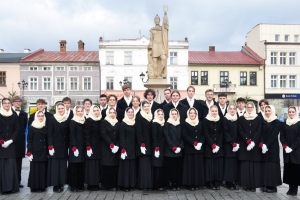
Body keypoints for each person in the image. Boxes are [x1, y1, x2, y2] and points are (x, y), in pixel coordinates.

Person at [238, 101, 262, 192]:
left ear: (254, 108)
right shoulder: (241, 118)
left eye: (251, 107)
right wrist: (247, 140)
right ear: (246, 108)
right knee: (246, 166)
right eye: (248, 107)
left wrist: (253, 141)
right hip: (245, 145)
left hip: (255, 146)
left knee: (254, 166)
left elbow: (259, 130)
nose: (249, 109)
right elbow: (240, 130)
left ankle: (253, 185)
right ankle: (246, 184)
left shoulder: (258, 118)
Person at [47, 103, 68, 193]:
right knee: (55, 167)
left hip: (64, 146)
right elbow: (50, 133)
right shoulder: (52, 119)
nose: (60, 110)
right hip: (55, 146)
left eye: (62, 108)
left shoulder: (67, 119)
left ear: (64, 109)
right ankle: (55, 184)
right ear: (56, 109)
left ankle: (62, 183)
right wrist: (50, 146)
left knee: (63, 166)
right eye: (59, 108)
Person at [182, 108, 205, 191]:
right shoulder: (185, 123)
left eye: (194, 113)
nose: (192, 114)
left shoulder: (200, 123)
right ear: (188, 114)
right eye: (190, 113)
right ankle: (190, 184)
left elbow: (203, 134)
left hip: (199, 149)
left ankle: (197, 183)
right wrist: (193, 143)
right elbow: (184, 135)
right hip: (189, 149)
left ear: (196, 114)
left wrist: (200, 143)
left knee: (197, 167)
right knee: (190, 167)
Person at [0, 98, 19, 194]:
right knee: (2, 165)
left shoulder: (14, 115)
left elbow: (17, 129)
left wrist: (11, 140)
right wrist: (2, 141)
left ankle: (11, 187)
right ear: (2, 104)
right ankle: (2, 188)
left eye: (8, 103)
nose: (7, 105)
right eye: (5, 103)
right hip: (1, 145)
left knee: (11, 165)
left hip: (11, 144)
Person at [261, 105, 282, 193]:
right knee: (266, 166)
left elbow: (274, 135)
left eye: (269, 111)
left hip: (272, 147)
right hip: (263, 147)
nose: (267, 112)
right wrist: (262, 144)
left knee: (273, 167)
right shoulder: (263, 121)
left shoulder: (276, 122)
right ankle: (266, 184)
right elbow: (260, 133)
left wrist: (267, 145)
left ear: (272, 111)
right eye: (266, 111)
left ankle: (273, 186)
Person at [280, 106, 300, 196]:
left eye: (293, 112)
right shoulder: (284, 123)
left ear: (296, 113)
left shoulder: (299, 123)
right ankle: (290, 187)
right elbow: (282, 136)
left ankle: (295, 188)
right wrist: (285, 146)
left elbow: (299, 138)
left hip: (296, 151)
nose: (291, 113)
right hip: (287, 151)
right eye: (290, 112)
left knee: (295, 170)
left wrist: (292, 147)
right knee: (288, 169)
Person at [203, 105, 223, 190]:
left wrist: (218, 145)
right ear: (210, 112)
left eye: (215, 111)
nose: (214, 112)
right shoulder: (205, 120)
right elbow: (206, 133)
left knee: (217, 165)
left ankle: (216, 181)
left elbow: (222, 133)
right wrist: (212, 145)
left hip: (218, 146)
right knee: (209, 164)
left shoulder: (220, 120)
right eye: (213, 111)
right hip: (209, 146)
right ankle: (209, 182)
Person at [26, 111, 47, 192]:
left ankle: (42, 186)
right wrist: (29, 151)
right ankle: (34, 186)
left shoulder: (45, 127)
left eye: (42, 116)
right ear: (36, 117)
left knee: (42, 168)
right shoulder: (32, 127)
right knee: (35, 169)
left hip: (43, 150)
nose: (41, 117)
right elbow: (29, 140)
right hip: (35, 151)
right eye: (39, 116)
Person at [164, 108, 184, 191]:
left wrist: (180, 146)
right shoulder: (167, 124)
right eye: (172, 114)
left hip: (179, 149)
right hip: (170, 150)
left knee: (177, 168)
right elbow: (167, 136)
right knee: (170, 168)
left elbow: (183, 136)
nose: (174, 115)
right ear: (170, 115)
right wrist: (172, 147)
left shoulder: (180, 124)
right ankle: (170, 183)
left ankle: (176, 182)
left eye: (175, 114)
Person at [100, 108, 120, 191]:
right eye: (110, 113)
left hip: (116, 148)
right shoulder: (103, 122)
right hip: (106, 147)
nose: (112, 114)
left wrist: (117, 145)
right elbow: (103, 134)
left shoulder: (118, 123)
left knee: (114, 165)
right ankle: (107, 184)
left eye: (113, 112)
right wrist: (111, 144)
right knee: (107, 165)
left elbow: (120, 135)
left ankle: (114, 183)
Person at [135, 101, 153, 190]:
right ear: (142, 107)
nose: (146, 107)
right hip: (143, 145)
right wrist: (141, 144)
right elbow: (138, 132)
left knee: (148, 166)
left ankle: (149, 184)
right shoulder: (139, 116)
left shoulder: (151, 116)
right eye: (145, 106)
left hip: (151, 145)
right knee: (143, 166)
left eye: (148, 106)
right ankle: (143, 185)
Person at [118, 107, 136, 192]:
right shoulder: (123, 123)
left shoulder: (134, 123)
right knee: (125, 167)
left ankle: (131, 184)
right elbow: (121, 137)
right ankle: (125, 185)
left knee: (131, 167)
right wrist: (123, 148)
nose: (130, 113)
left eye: (132, 112)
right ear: (126, 113)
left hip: (133, 148)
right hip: (125, 148)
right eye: (128, 112)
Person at [11, 96, 28, 188]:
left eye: (20, 101)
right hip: (10, 141)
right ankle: (10, 181)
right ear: (12, 102)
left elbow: (24, 127)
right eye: (16, 101)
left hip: (20, 141)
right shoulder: (9, 113)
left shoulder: (24, 114)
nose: (18, 103)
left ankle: (18, 181)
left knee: (18, 162)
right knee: (10, 161)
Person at [68, 106, 85, 192]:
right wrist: (74, 147)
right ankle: (73, 186)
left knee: (81, 167)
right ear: (75, 112)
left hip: (83, 147)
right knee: (74, 166)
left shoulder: (84, 121)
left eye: (81, 111)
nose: (80, 113)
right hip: (75, 147)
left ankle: (80, 185)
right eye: (78, 111)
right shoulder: (72, 121)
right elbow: (71, 135)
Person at [85, 105, 102, 191]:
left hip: (99, 146)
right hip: (91, 146)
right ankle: (91, 184)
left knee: (97, 165)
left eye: (97, 110)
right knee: (91, 165)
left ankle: (96, 183)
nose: (96, 112)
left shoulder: (100, 120)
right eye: (94, 110)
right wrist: (88, 146)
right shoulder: (89, 121)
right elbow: (87, 134)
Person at [223, 103, 239, 190]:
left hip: (236, 145)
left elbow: (240, 131)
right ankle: (228, 182)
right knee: (228, 164)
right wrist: (231, 143)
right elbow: (225, 132)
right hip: (228, 145)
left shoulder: (238, 119)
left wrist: (237, 143)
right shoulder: (225, 119)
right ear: (228, 110)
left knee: (235, 164)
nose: (232, 110)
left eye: (233, 109)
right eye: (230, 109)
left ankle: (234, 181)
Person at [151, 109, 165, 191]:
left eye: (161, 114)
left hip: (163, 147)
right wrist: (156, 148)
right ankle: (156, 184)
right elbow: (154, 136)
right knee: (157, 166)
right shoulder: (155, 124)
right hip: (157, 148)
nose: (160, 116)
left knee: (161, 166)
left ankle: (161, 183)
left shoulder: (163, 123)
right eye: (159, 114)